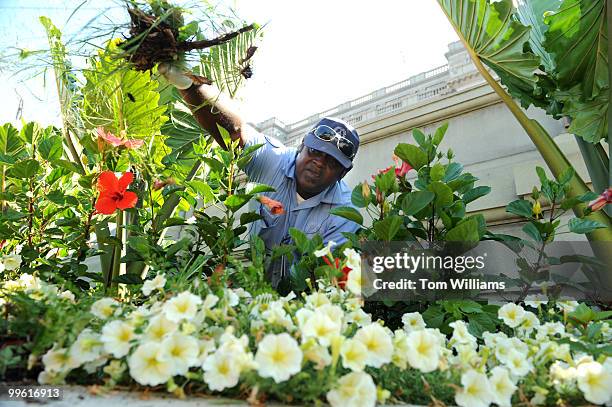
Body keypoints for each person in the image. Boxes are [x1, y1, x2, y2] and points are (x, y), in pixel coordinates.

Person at [160, 64, 361, 287]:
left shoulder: (345, 213)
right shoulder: (273, 161)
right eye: (314, 152)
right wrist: (188, 85)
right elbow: (236, 132)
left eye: (332, 162)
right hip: (253, 285)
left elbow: (327, 277)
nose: (319, 163)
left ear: (343, 172)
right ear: (301, 146)